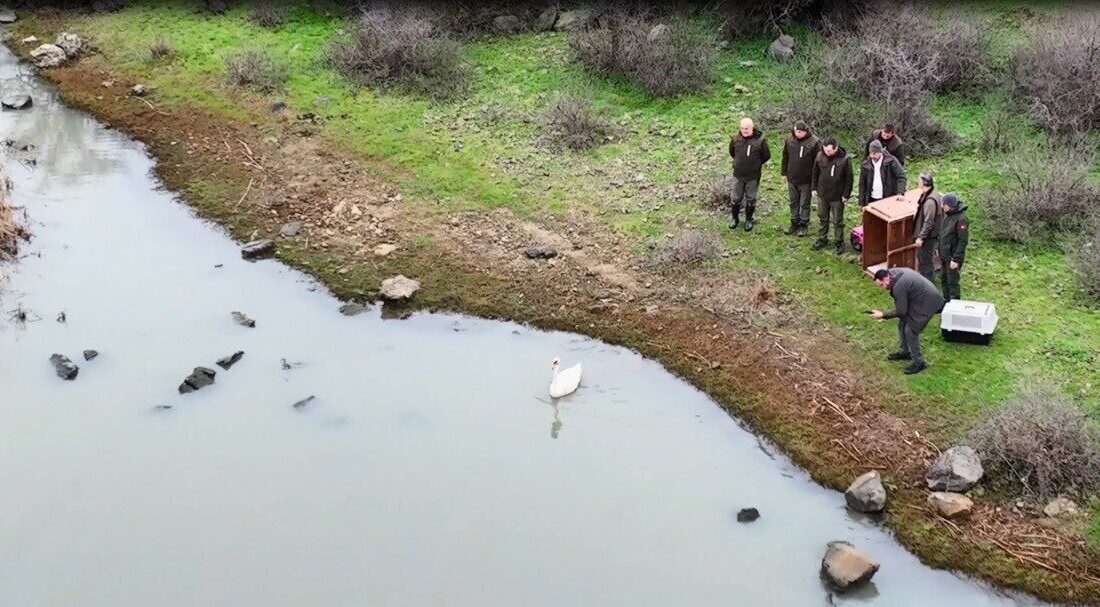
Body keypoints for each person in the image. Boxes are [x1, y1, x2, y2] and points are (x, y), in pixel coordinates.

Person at [870, 267, 944, 375]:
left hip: (928, 302)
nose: (883, 288)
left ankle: (919, 362)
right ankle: (905, 351)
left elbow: (901, 311)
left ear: (886, 279)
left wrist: (883, 314)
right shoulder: (893, 274)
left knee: (911, 330)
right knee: (902, 323)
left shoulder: (899, 286)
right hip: (919, 297)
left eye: (882, 285)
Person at [810, 137, 853, 254]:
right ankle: (822, 238)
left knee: (837, 220)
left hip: (837, 197)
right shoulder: (820, 156)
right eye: (824, 150)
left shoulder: (844, 160)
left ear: (835, 148)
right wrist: (813, 187)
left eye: (829, 151)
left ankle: (839, 242)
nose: (826, 152)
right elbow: (815, 172)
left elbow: (849, 179)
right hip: (822, 194)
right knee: (823, 218)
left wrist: (846, 195)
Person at [728, 117, 771, 232]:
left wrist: (755, 165)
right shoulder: (735, 139)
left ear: (752, 127)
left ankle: (748, 220)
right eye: (742, 128)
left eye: (746, 128)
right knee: (736, 198)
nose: (744, 130)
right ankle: (735, 219)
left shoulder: (760, 140)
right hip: (738, 175)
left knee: (751, 198)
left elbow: (766, 156)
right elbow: (732, 152)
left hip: (753, 176)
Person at [781, 121, 821, 237]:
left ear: (805, 131)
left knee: (804, 203)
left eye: (800, 132)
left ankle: (803, 224)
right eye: (796, 131)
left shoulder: (814, 142)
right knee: (793, 202)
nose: (798, 134)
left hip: (806, 180)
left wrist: (815, 180)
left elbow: (819, 162)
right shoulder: (789, 140)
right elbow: (785, 156)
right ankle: (794, 222)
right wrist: (784, 172)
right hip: (792, 178)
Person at [938, 192, 970, 302]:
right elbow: (943, 234)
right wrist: (939, 249)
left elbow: (963, 241)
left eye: (944, 204)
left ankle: (954, 304)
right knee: (944, 279)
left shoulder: (961, 219)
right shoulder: (948, 216)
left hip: (952, 257)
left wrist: (956, 259)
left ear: (950, 205)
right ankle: (945, 302)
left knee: (952, 282)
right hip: (944, 255)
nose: (942, 206)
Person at [912, 172, 942, 281]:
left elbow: (928, 222)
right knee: (921, 258)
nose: (918, 182)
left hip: (928, 237)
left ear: (923, 183)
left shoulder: (930, 201)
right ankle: (923, 280)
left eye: (919, 180)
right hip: (928, 236)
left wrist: (921, 237)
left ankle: (928, 283)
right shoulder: (932, 193)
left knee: (926, 260)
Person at [858, 139, 906, 207]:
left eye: (874, 153)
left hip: (888, 198)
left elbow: (901, 177)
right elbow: (862, 184)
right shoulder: (866, 165)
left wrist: (900, 193)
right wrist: (861, 202)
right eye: (870, 153)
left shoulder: (891, 161)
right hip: (871, 199)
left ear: (880, 152)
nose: (872, 156)